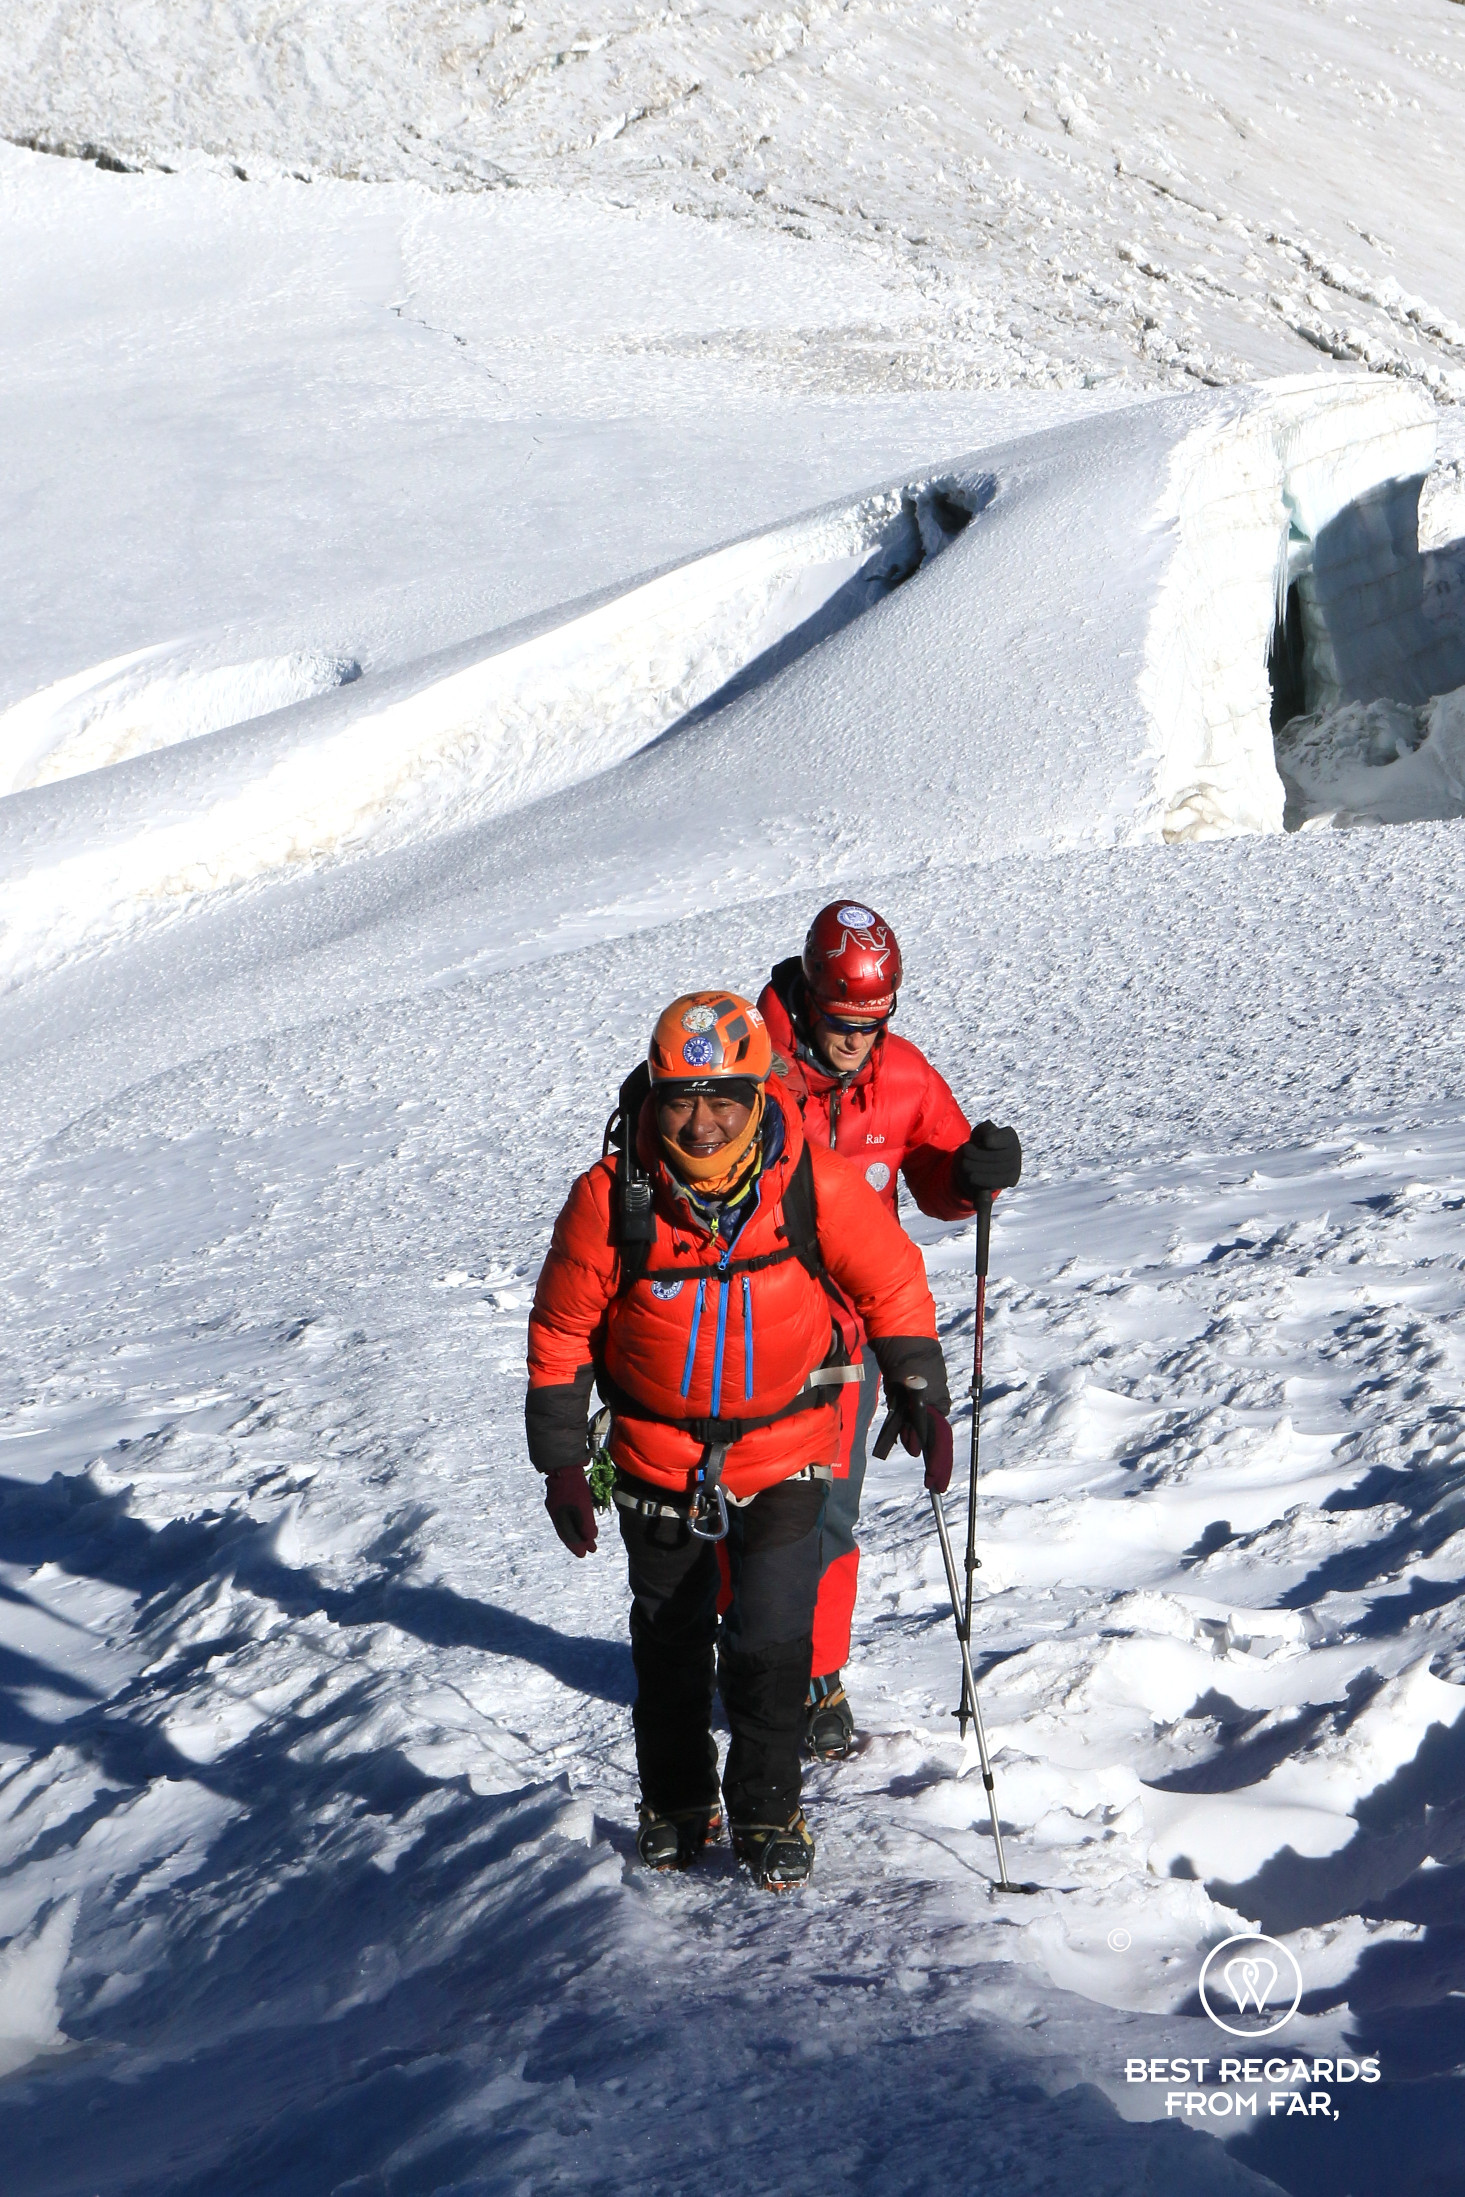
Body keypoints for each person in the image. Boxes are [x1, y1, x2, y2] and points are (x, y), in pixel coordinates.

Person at [525, 989, 953, 1890]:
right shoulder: (610, 1200)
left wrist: (918, 1391)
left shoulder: (809, 1181)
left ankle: (766, 1807)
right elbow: (563, 1331)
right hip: (653, 1460)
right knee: (670, 1643)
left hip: (788, 1447)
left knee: (769, 1642)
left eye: (725, 1098)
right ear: (652, 1092)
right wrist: (562, 1459)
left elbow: (889, 1282)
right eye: (681, 1098)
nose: (703, 1121)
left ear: (759, 1095)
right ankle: (677, 1803)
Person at [757, 902, 1022, 1761]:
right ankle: (738, 1652)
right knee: (732, 1509)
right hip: (742, 1333)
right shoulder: (749, 1070)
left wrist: (969, 1173)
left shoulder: (901, 1076)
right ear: (806, 999)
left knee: (829, 1514)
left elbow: (936, 1175)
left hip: (846, 1334)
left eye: (873, 1025)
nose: (854, 1043)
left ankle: (812, 1676)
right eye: (840, 1023)